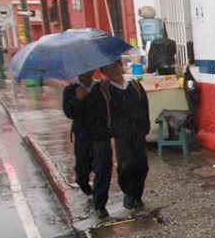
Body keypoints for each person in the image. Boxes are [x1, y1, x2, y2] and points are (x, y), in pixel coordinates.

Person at [90, 60, 151, 216]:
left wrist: (145, 126)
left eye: (115, 67)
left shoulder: (135, 85)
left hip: (138, 130)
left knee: (142, 164)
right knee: (127, 164)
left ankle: (137, 195)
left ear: (120, 67)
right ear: (104, 73)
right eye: (108, 69)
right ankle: (129, 193)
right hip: (121, 133)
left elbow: (144, 106)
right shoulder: (106, 91)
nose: (113, 71)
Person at [62, 71, 98, 197]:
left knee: (102, 165)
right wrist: (78, 100)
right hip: (82, 133)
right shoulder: (70, 89)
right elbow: (69, 113)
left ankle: (99, 200)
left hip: (99, 132)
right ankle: (82, 180)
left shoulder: (99, 87)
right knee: (83, 164)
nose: (86, 74)